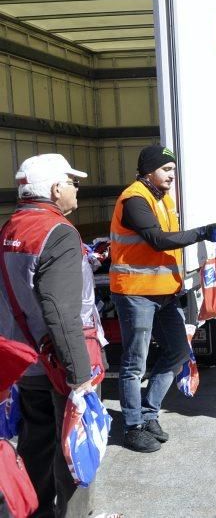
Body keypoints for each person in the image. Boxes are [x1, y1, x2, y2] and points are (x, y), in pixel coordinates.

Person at [110, 145, 216, 453]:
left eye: (174, 170)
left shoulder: (164, 199)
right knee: (135, 361)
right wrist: (203, 231)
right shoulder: (135, 198)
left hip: (163, 291)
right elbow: (158, 240)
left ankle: (149, 414)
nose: (172, 175)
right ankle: (133, 426)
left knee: (178, 351)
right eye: (167, 170)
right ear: (149, 170)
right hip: (135, 292)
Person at [0, 154, 97, 517]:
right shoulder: (59, 233)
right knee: (73, 453)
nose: (76, 188)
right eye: (72, 182)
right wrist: (79, 378)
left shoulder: (12, 226)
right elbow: (60, 311)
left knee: (35, 446)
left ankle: (32, 512)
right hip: (61, 362)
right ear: (56, 189)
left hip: (26, 362)